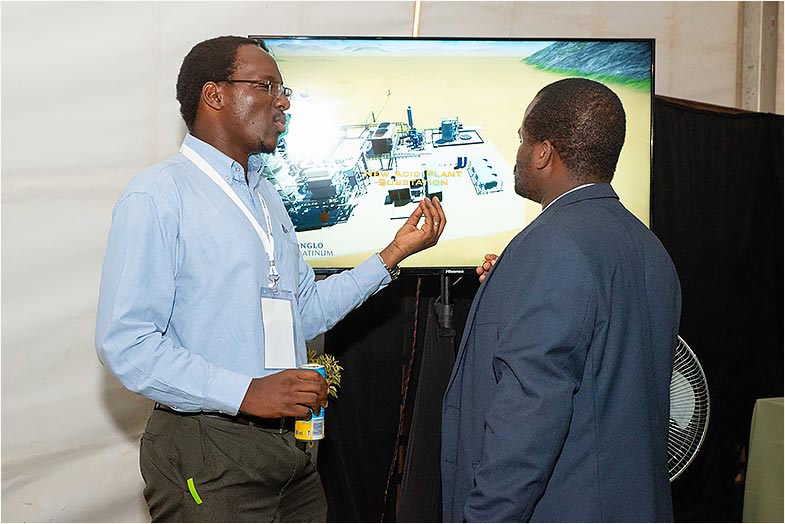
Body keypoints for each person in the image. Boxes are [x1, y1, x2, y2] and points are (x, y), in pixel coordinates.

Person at [95, 35, 445, 522]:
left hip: (291, 451)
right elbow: (127, 344)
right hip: (210, 449)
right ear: (214, 95)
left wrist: (393, 254)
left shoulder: (267, 198)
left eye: (284, 90)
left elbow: (305, 312)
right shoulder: (158, 196)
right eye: (266, 86)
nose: (283, 102)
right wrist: (247, 392)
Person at [441, 78, 681, 522]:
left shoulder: (553, 245)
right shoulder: (650, 247)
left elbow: (529, 416)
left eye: (522, 139)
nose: (518, 152)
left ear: (543, 152)